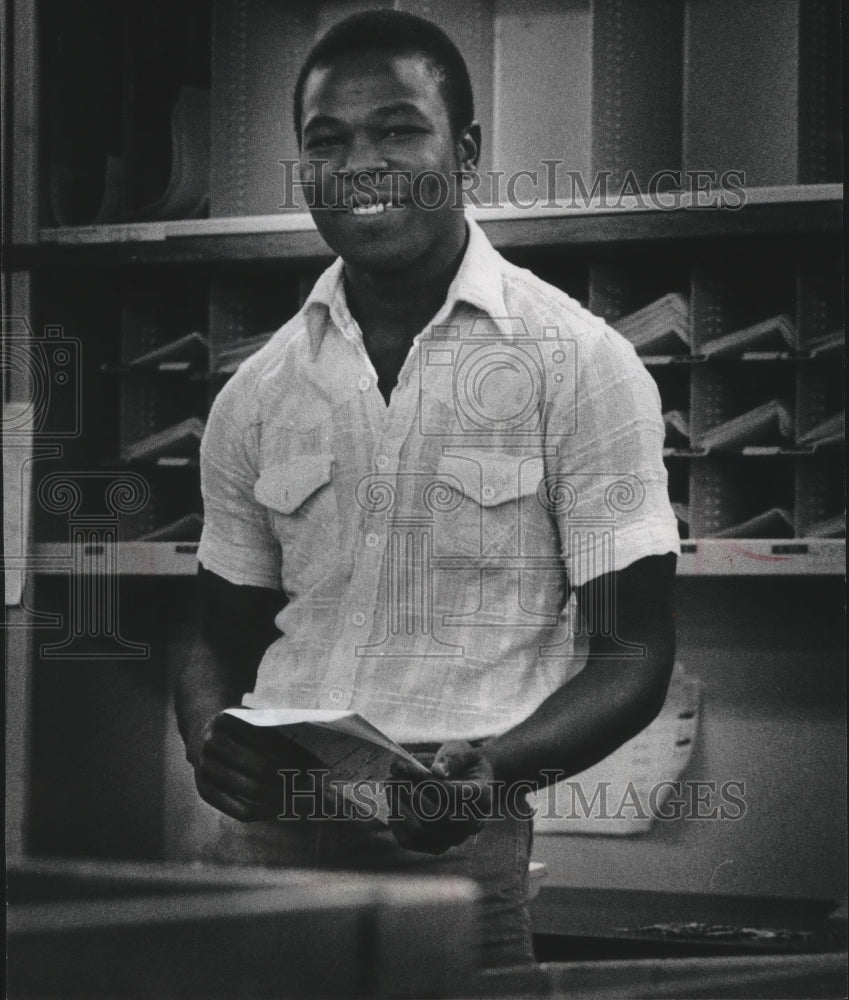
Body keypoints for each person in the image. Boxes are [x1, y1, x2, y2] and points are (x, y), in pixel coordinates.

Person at [176, 8, 679, 970]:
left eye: (398, 129)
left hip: (460, 839)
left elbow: (634, 653)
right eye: (327, 141)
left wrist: (493, 773)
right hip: (263, 850)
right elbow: (215, 630)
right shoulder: (258, 391)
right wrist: (208, 734)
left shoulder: (582, 365)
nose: (360, 162)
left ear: (467, 151)